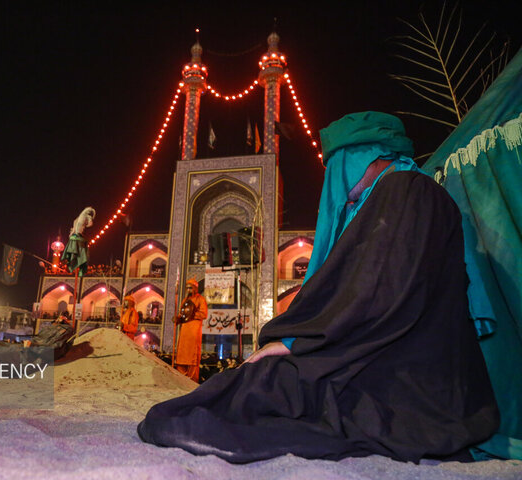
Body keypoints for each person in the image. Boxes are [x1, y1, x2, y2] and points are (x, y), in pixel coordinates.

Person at [138, 111, 499, 463]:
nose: (337, 184)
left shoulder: (402, 191)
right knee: (268, 382)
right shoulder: (416, 191)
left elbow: (377, 289)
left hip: (403, 382)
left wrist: (299, 339)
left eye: (338, 166)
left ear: (363, 156)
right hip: (417, 371)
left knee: (270, 383)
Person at [173, 279, 208, 382]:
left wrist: (192, 315)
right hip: (184, 333)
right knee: (180, 359)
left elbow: (204, 314)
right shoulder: (184, 300)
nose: (188, 290)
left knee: (192, 360)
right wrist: (178, 319)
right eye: (187, 288)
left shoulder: (200, 299)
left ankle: (192, 385)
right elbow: (182, 314)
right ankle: (180, 383)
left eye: (190, 287)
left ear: (195, 288)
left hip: (194, 332)